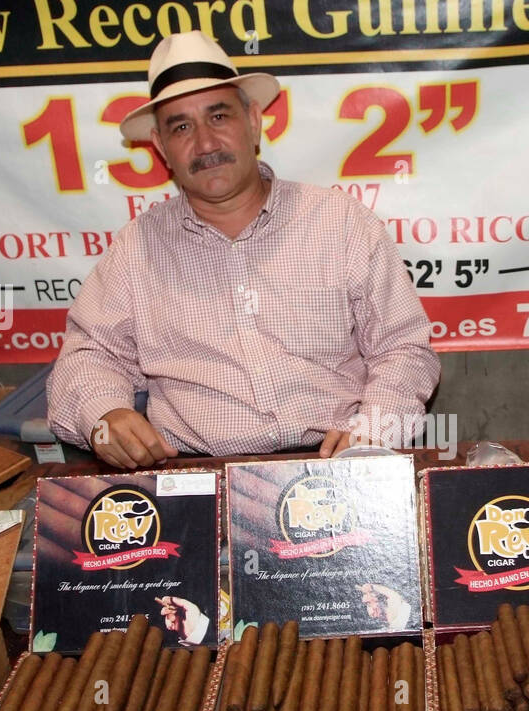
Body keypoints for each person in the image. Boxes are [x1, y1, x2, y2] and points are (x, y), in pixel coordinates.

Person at [47, 32, 439, 467]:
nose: (205, 143)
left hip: (336, 463)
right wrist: (104, 415)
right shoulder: (135, 250)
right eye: (181, 127)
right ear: (161, 147)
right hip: (196, 475)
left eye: (219, 117)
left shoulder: (339, 221)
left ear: (253, 121)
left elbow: (404, 348)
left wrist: (374, 432)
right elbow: (86, 356)